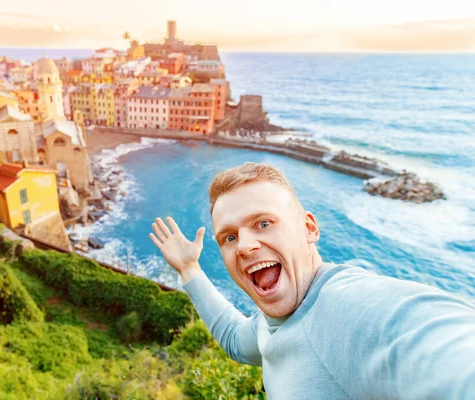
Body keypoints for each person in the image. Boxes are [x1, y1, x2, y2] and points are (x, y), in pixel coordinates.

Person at [149, 162, 475, 399]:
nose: (245, 246)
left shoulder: (350, 308)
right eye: (230, 237)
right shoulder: (271, 324)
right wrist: (189, 268)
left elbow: (449, 351)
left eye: (263, 223)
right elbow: (235, 339)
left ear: (309, 229)